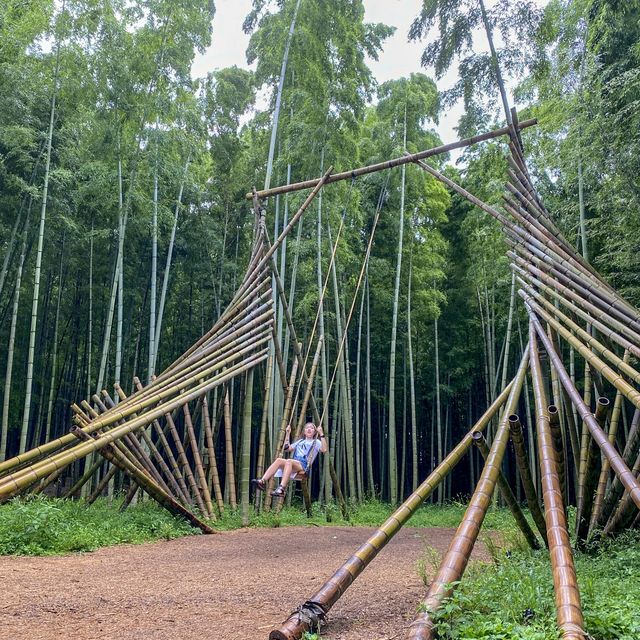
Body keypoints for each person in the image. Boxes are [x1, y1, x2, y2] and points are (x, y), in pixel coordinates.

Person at [252, 422, 328, 497]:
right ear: (304, 431)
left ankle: (281, 488)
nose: (309, 429)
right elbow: (287, 448)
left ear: (315, 432)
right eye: (307, 427)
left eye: (311, 428)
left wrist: (321, 434)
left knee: (289, 461)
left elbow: (324, 449)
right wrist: (288, 433)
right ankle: (262, 481)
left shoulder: (316, 442)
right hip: (294, 462)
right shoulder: (300, 441)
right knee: (279, 460)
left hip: (303, 465)